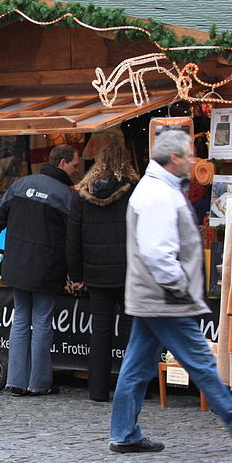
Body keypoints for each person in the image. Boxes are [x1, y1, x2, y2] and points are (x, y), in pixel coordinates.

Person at [109, 130, 232, 452]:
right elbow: (158, 252)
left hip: (153, 295)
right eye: (188, 155)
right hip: (164, 296)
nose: (193, 161)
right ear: (174, 158)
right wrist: (179, 286)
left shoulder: (157, 189)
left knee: (136, 367)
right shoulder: (158, 194)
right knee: (199, 360)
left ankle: (124, 433)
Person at [0, 143, 82, 397]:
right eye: (75, 165)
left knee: (20, 320)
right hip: (47, 266)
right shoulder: (67, 196)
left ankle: (16, 381)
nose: (78, 170)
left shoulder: (21, 184)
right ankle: (39, 383)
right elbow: (73, 239)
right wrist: (76, 272)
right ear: (62, 163)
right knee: (42, 321)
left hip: (17, 262)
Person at [66, 141, 138, 402]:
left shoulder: (82, 193)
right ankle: (131, 388)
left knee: (101, 330)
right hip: (129, 271)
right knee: (132, 330)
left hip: (95, 272)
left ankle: (97, 390)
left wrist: (77, 275)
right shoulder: (134, 190)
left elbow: (72, 238)